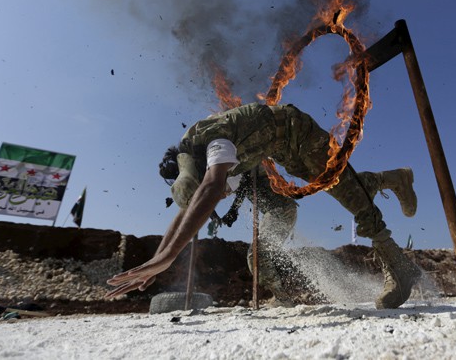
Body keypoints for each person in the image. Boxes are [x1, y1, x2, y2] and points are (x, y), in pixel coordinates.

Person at [106, 102, 421, 309]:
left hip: (298, 132)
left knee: (348, 194)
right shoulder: (198, 154)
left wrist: (170, 256)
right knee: (340, 184)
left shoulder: (213, 143)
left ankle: (399, 265)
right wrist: (159, 259)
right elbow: (188, 210)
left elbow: (212, 188)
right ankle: (393, 178)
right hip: (286, 149)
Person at [211, 165, 417, 306]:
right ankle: (281, 297)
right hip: (277, 211)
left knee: (257, 253)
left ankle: (282, 298)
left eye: (223, 190)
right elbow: (237, 188)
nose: (223, 194)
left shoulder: (241, 166)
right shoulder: (242, 170)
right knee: (258, 253)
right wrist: (231, 211)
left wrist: (231, 210)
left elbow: (239, 184)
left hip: (281, 211)